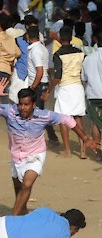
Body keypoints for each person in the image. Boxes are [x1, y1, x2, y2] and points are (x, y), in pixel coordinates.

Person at [0, 78, 99, 215]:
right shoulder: (10, 111)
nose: (22, 108)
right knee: (19, 189)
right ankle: (22, 211)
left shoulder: (44, 115)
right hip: (16, 156)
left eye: (26, 105)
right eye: (20, 104)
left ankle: (13, 218)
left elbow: (68, 120)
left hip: (35, 156)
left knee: (27, 184)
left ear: (34, 104)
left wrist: (85, 138)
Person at [45, 26, 86, 158]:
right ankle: (83, 150)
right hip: (78, 86)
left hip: (65, 88)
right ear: (71, 38)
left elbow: (58, 76)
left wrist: (48, 91)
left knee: (64, 119)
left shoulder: (58, 54)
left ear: (60, 38)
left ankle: (67, 150)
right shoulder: (80, 52)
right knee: (78, 117)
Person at [26, 26, 60, 147]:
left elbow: (39, 71)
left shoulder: (35, 51)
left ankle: (48, 138)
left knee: (37, 113)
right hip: (42, 83)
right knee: (38, 112)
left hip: (38, 85)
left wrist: (32, 87)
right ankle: (50, 137)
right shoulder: (43, 48)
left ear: (28, 36)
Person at [0, 13, 21, 96]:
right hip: (7, 71)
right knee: (1, 98)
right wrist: (9, 57)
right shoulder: (10, 38)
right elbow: (18, 53)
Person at [82, 31, 102, 161]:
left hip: (93, 95)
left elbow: (84, 78)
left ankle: (99, 153)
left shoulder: (88, 58)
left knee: (95, 123)